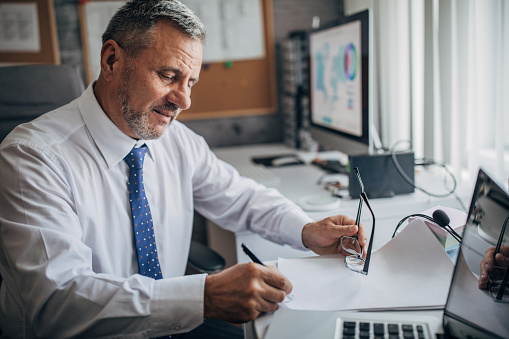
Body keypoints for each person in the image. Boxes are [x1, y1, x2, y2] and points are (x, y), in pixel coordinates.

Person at [0, 0, 367, 337]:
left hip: (169, 324)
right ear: (112, 60)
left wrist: (304, 230)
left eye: (190, 82)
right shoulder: (33, 157)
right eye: (168, 76)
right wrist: (203, 297)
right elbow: (57, 302)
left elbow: (239, 196)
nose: (184, 100)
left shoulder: (176, 140)